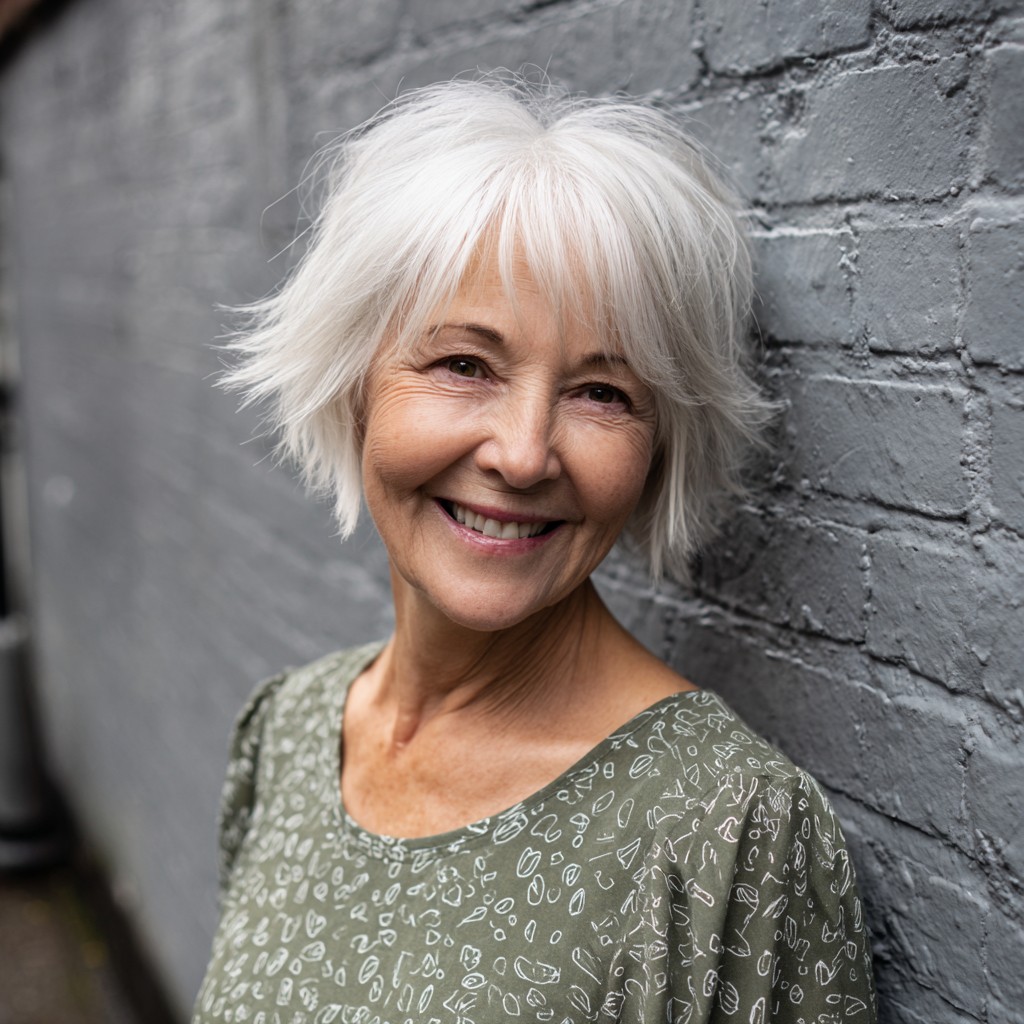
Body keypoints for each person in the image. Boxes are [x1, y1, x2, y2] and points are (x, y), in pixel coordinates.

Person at [193, 76, 876, 1024]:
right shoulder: (289, 733)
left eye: (601, 393)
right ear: (355, 385)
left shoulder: (725, 829)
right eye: (463, 365)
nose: (521, 454)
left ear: (656, 447)